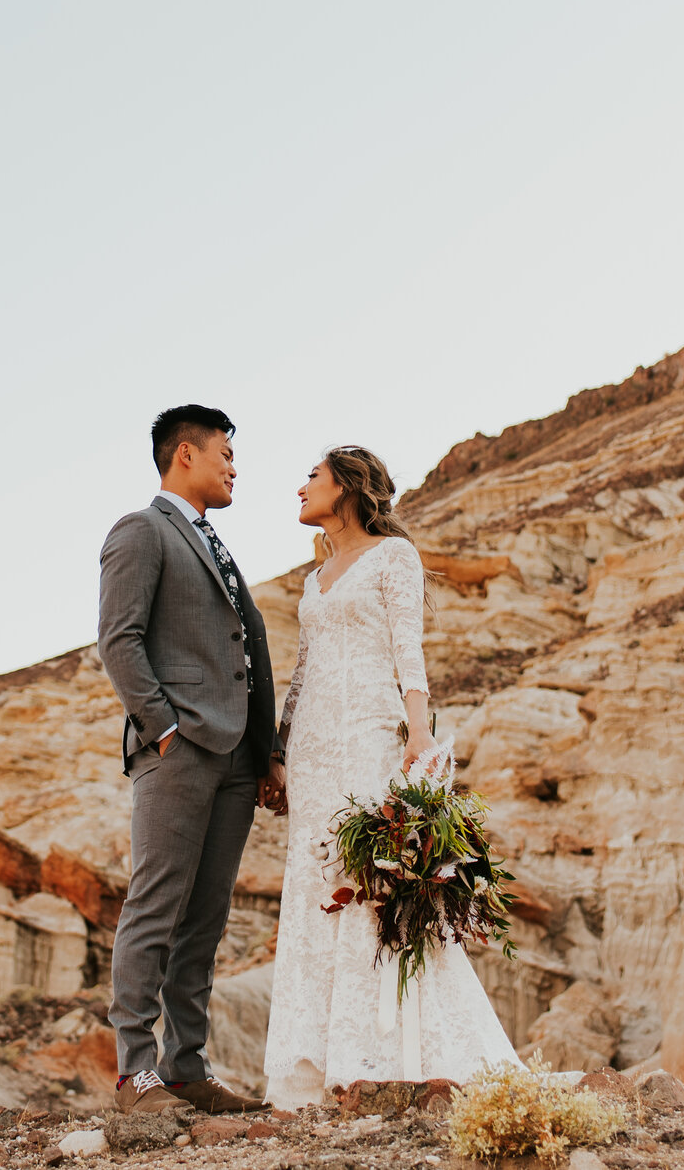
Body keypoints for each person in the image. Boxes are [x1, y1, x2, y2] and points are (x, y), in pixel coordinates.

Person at [261, 444, 518, 1110]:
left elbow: (410, 648)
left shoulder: (393, 556)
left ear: (346, 484)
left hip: (369, 732)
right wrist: (280, 751)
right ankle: (316, 1058)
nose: (300, 487)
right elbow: (300, 675)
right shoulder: (314, 578)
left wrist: (418, 731)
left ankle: (380, 1051)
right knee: (317, 883)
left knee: (372, 881)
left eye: (311, 476)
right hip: (315, 745)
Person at [94, 405, 279, 1115]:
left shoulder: (218, 547)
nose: (234, 466)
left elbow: (248, 652)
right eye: (225, 452)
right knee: (155, 904)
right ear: (184, 456)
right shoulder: (141, 531)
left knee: (205, 917)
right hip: (179, 749)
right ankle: (135, 1072)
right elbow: (120, 639)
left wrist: (265, 755)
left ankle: (187, 1065)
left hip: (236, 759)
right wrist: (165, 727)